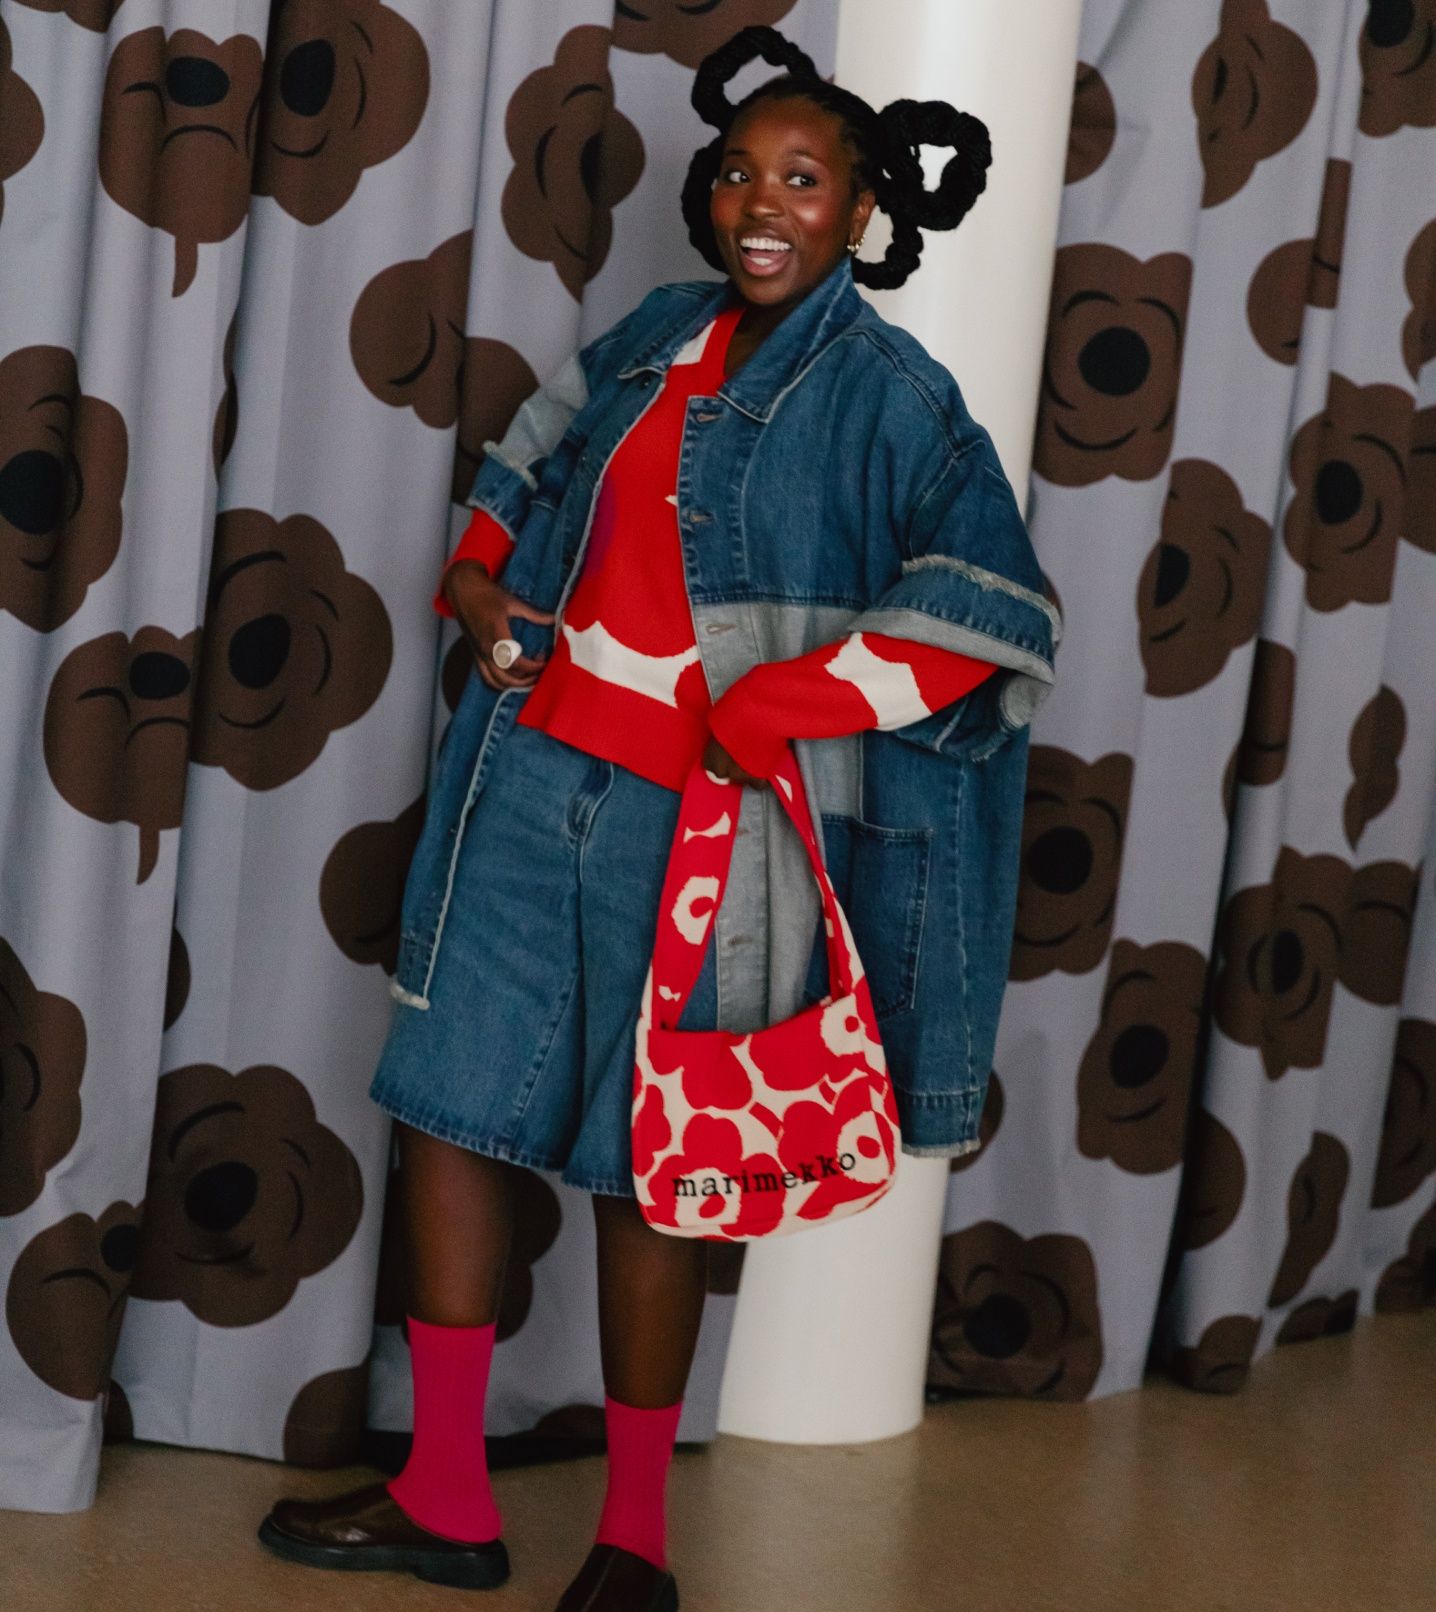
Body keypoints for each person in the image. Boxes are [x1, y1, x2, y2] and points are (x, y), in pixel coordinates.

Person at [257, 24, 1058, 1612]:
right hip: (525, 775)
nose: (765, 205)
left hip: (701, 828)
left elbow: (994, 611)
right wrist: (481, 580)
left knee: (656, 1160)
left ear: (862, 209)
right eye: (745, 175)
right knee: (449, 1105)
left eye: (806, 181)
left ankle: (631, 1543)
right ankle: (445, 1495)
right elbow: (530, 459)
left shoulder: (895, 397)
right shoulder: (656, 328)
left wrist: (780, 704)